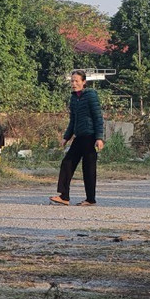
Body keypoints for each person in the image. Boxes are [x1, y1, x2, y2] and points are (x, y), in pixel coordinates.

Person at [50, 70, 104, 207]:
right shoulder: (73, 98)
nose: (74, 84)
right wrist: (66, 137)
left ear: (84, 82)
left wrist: (99, 137)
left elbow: (98, 117)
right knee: (67, 163)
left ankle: (90, 199)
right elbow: (72, 120)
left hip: (90, 136)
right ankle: (64, 196)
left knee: (89, 168)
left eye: (76, 81)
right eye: (72, 81)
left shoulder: (91, 95)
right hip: (79, 137)